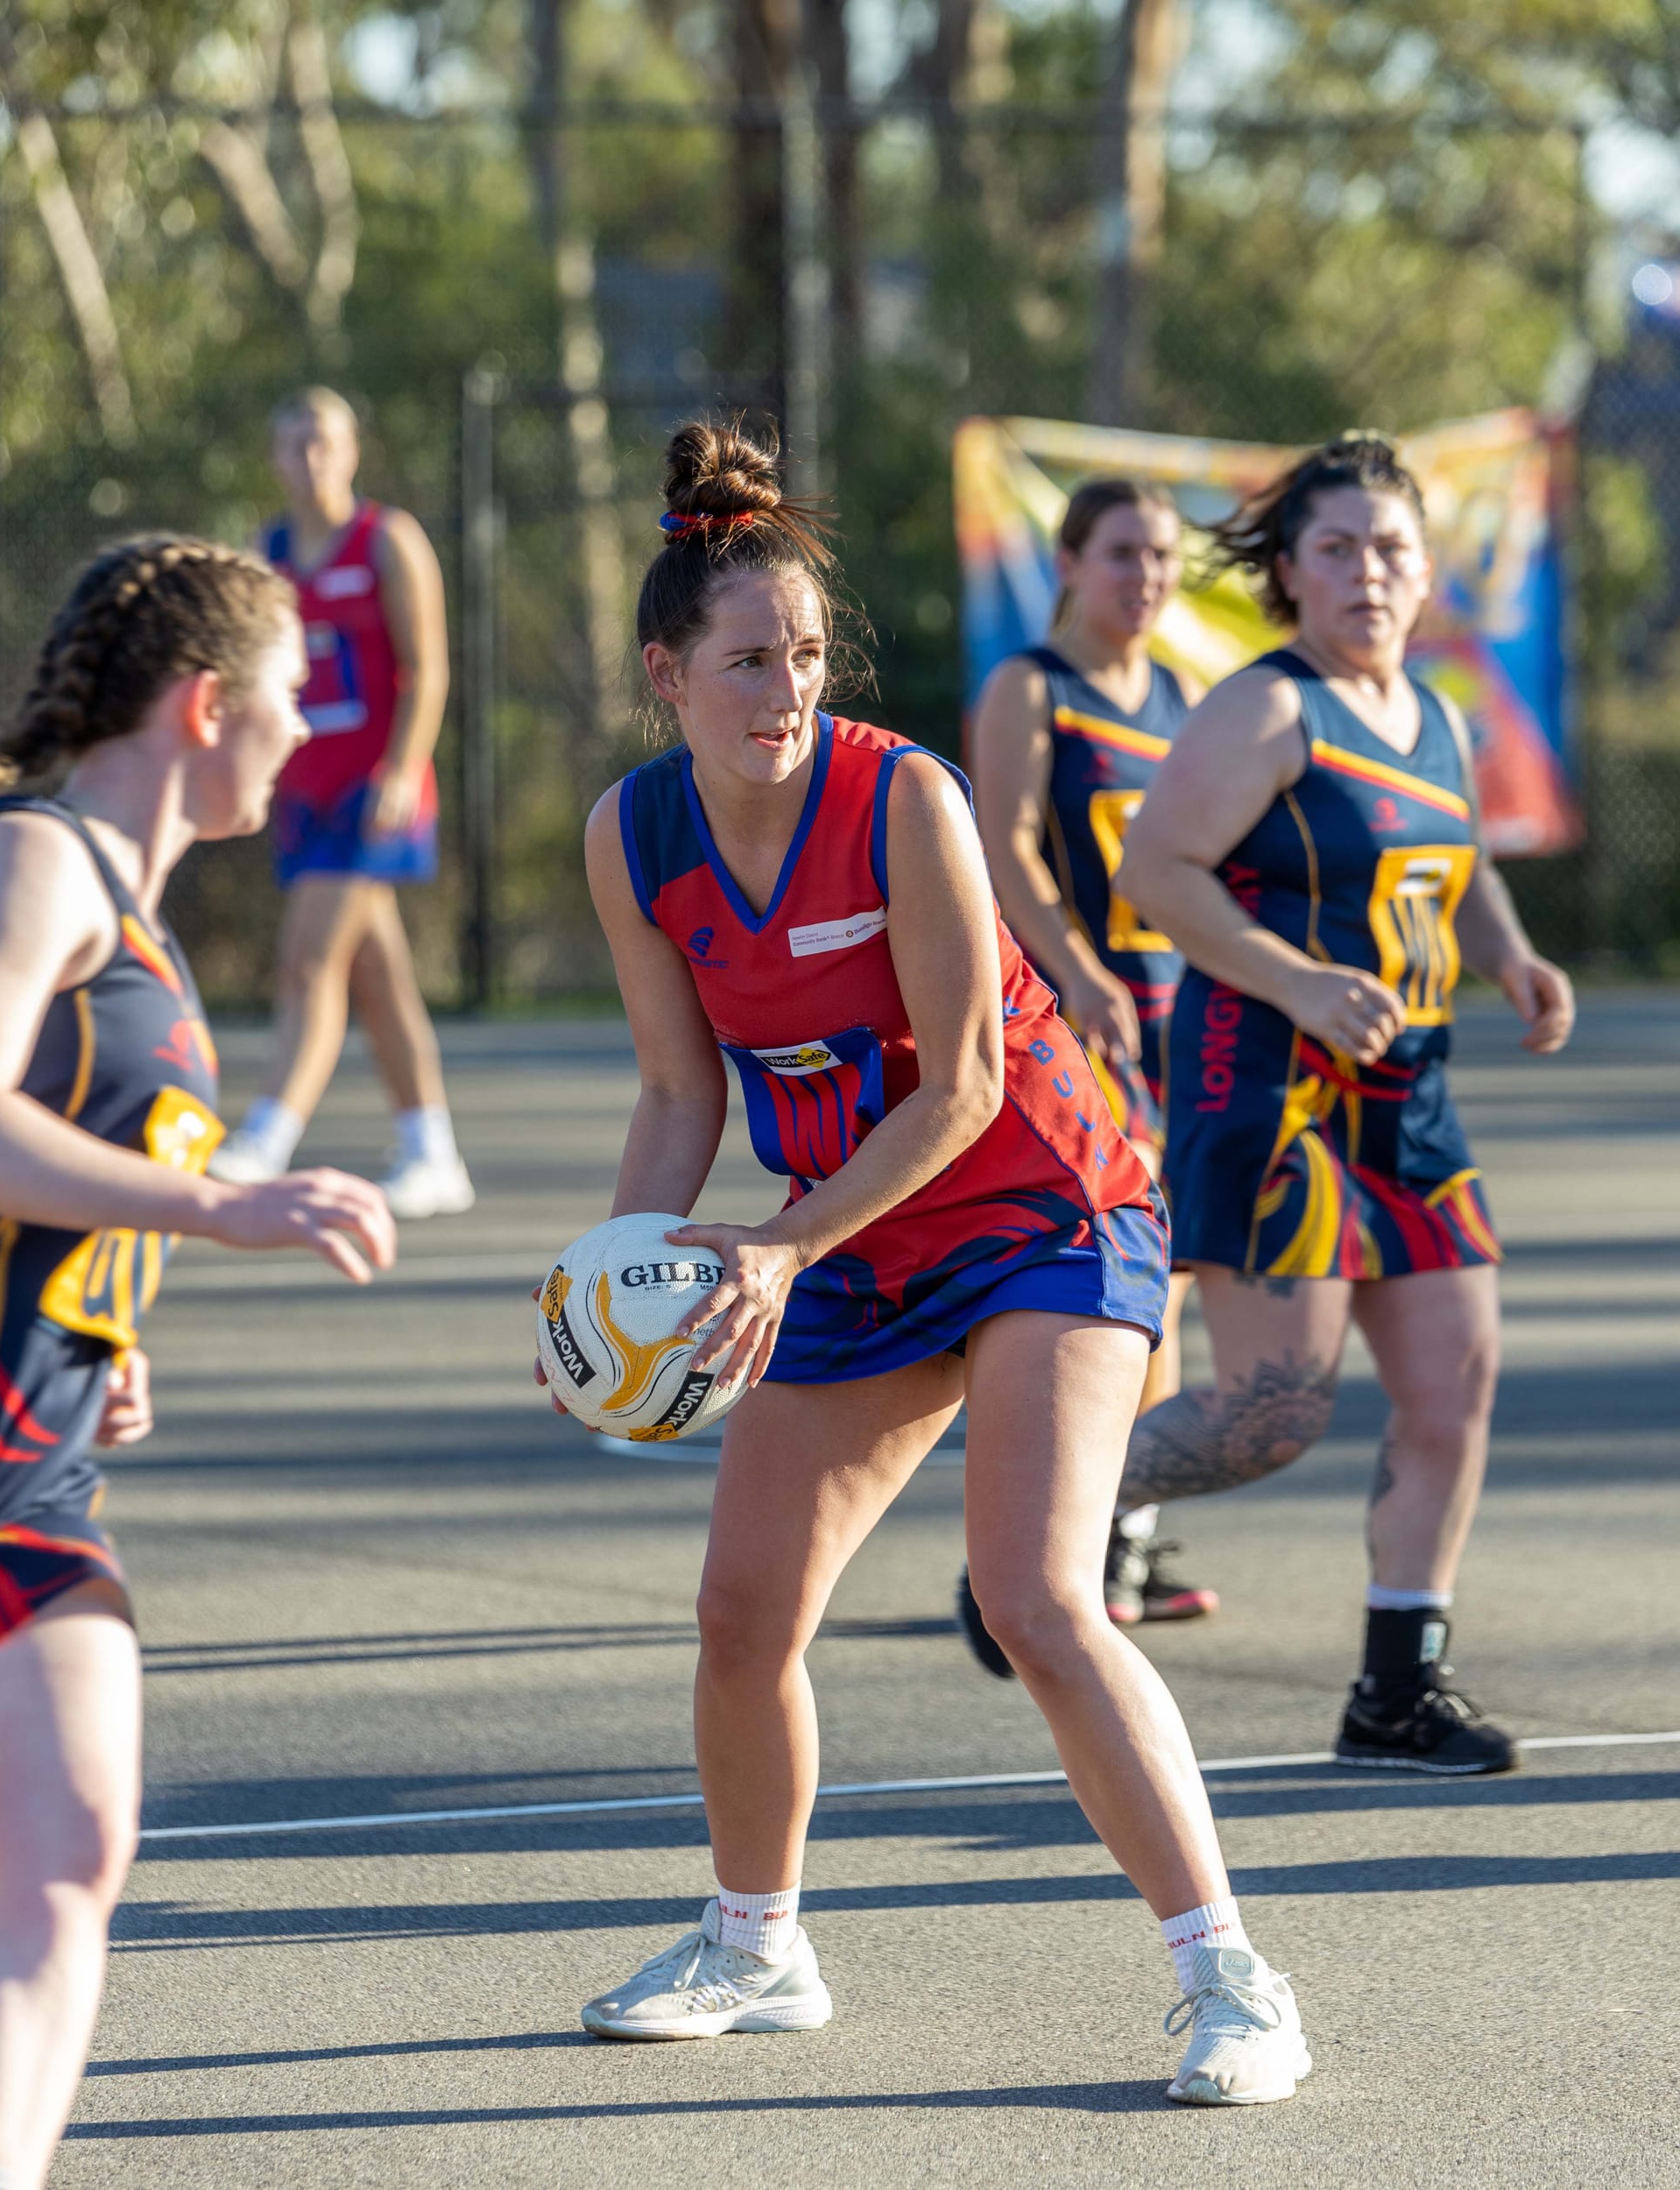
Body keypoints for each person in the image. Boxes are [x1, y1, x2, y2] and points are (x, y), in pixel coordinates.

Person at [544, 420, 1310, 2105]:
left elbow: (965, 1088)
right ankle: (758, 1945)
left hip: (1045, 1208)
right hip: (856, 1239)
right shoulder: (637, 838)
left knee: (1035, 1597)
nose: (787, 689)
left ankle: (1233, 1977)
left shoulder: (905, 798)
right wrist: (614, 1290)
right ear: (668, 673)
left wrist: (774, 1250)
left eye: (809, 655)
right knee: (743, 1615)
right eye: (750, 660)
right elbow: (683, 1091)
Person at [0, 535, 396, 2190]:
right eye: (289, 696)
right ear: (207, 706)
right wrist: (222, 1206)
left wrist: (100, 1320)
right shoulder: (31, 863)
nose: (307, 727)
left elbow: (47, 1175)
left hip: (11, 1472)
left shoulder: (140, 920)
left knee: (63, 1854)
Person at [1115, 434, 1575, 1776]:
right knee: (1270, 1414)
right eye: (1338, 546)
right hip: (1272, 1085)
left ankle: (1395, 1692)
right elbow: (1158, 872)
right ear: (1291, 574)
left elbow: (1456, 865)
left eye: (1392, 547)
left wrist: (1511, 959)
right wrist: (1302, 982)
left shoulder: (1430, 710)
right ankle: (1041, 1509)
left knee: (1456, 1384)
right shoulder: (1267, 710)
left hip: (1408, 1093)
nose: (1369, 569)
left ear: (1427, 571)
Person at [957, 477, 1214, 1668]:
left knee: (1178, 1280)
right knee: (1123, 1275)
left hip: (1177, 1017)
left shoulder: (1182, 696)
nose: (1145, 576)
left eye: (1161, 555)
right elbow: (1001, 846)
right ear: (1067, 560)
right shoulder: (1029, 688)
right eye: (1122, 552)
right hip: (1073, 1024)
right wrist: (1075, 971)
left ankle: (1130, 1529)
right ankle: (1056, 1541)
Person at [207, 387, 474, 1219]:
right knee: (376, 970)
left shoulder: (388, 540)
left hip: (375, 790)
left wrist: (402, 767)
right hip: (303, 788)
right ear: (276, 460)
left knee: (306, 962)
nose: (311, 457)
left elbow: (427, 670)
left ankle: (263, 1137)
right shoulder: (269, 552)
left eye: (324, 440)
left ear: (352, 450)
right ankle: (432, 1150)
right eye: (294, 444)